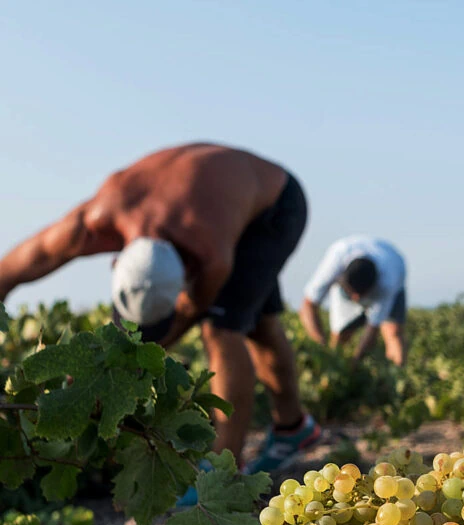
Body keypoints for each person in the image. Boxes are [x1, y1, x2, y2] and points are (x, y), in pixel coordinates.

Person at [0, 143, 322, 493]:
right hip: (219, 190)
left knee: (224, 329)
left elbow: (190, 314)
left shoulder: (211, 255)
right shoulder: (95, 218)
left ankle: (224, 469)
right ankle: (295, 428)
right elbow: (30, 259)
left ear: (189, 272)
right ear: (116, 262)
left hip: (276, 204)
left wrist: (121, 366)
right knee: (260, 324)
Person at [300, 235, 408, 366]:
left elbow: (372, 329)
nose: (357, 299)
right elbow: (308, 305)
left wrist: (355, 361)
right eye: (354, 294)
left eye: (361, 295)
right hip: (347, 280)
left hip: (394, 274)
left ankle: (396, 373)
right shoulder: (334, 263)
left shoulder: (388, 282)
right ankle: (333, 364)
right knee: (340, 334)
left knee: (393, 333)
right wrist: (321, 347)